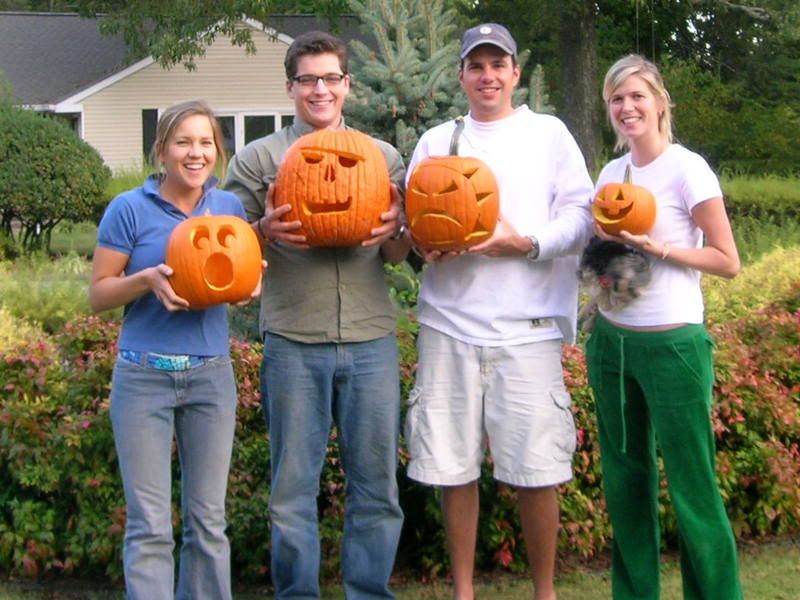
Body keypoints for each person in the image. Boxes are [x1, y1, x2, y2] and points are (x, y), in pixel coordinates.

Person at [404, 23, 594, 600]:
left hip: (527, 329)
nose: (487, 76)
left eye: (497, 65)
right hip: (449, 325)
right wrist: (422, 245)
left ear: (515, 73)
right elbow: (414, 218)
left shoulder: (548, 135)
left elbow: (582, 216)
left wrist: (527, 244)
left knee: (538, 471)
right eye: (476, 66)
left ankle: (544, 591)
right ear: (461, 76)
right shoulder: (438, 141)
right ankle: (463, 590)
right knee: (453, 469)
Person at [223, 31, 408, 599]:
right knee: (292, 491)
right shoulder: (258, 160)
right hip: (293, 339)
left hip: (370, 337)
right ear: (290, 87)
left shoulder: (382, 158)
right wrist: (261, 230)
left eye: (331, 78)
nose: (320, 89)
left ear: (347, 85)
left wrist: (399, 227)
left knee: (376, 487)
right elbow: (224, 249)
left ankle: (368, 592)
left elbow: (397, 255)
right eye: (308, 79)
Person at [586, 54, 743, 599]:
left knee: (692, 486)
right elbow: (606, 259)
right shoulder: (612, 174)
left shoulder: (687, 169)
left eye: (637, 96)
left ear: (659, 103)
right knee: (625, 483)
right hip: (612, 346)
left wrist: (661, 250)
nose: (627, 107)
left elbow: (727, 260)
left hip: (674, 346)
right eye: (617, 98)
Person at [89, 100, 260, 599]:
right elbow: (98, 293)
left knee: (208, 521)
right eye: (183, 142)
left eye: (206, 142)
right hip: (143, 376)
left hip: (210, 375)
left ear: (218, 150)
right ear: (162, 150)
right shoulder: (129, 209)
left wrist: (249, 287)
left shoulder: (228, 209)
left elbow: (236, 278)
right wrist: (144, 280)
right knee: (150, 524)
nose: (195, 153)